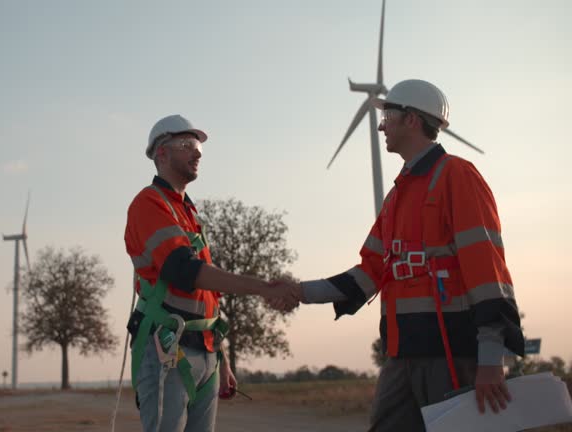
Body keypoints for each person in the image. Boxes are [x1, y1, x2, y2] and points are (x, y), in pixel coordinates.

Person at [270, 79, 525, 431]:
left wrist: (491, 359)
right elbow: (369, 274)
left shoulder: (458, 176)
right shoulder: (395, 198)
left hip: (452, 354)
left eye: (387, 114)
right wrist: (300, 291)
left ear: (412, 120)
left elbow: (487, 271)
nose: (379, 124)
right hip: (401, 355)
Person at [125, 114, 286, 432]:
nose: (197, 153)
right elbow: (187, 272)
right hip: (165, 347)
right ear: (162, 154)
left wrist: (221, 358)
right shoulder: (148, 204)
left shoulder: (187, 211)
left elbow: (206, 295)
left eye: (198, 146)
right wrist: (264, 288)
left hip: (205, 350)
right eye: (187, 145)